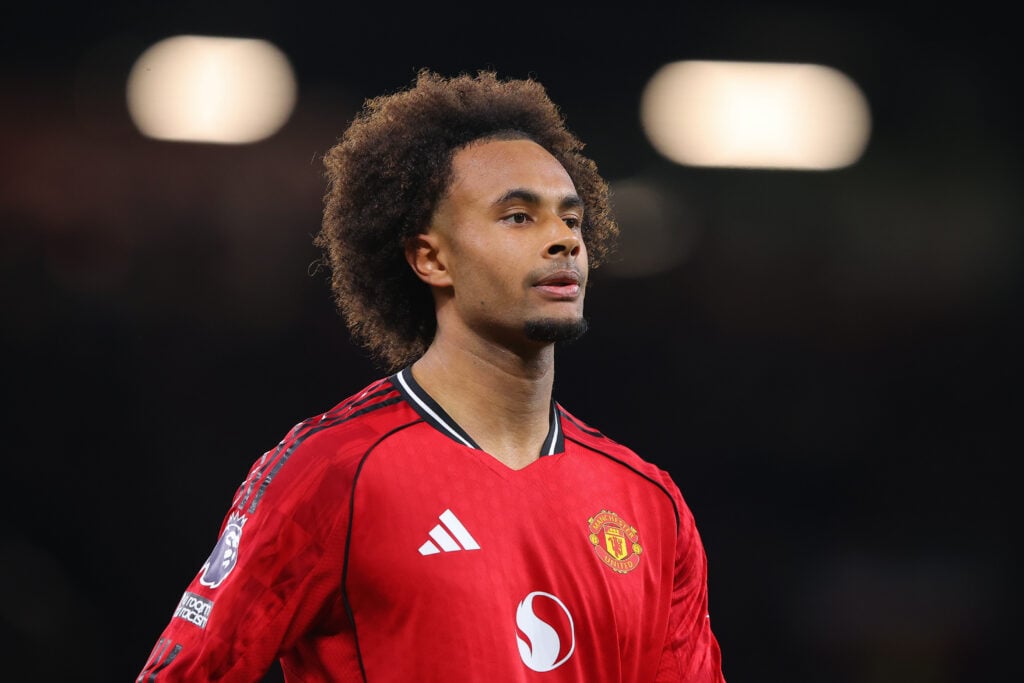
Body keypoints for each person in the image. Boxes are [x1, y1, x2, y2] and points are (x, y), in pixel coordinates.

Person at [137, 69, 726, 682]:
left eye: (571, 220)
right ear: (431, 258)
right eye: (519, 217)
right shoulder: (333, 472)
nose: (562, 241)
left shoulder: (649, 503)